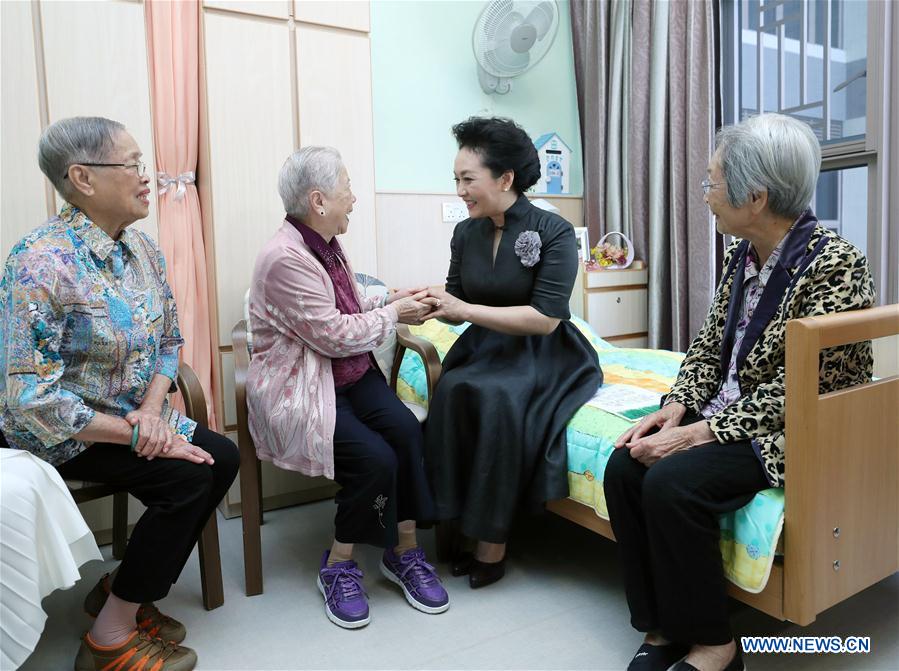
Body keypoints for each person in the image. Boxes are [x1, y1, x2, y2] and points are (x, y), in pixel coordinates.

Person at [604, 113, 875, 671]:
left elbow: (804, 388)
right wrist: (674, 409)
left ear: (755, 197)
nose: (705, 195)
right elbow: (707, 347)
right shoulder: (741, 256)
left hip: (785, 428)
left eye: (711, 182)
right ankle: (661, 626)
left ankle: (716, 646)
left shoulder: (836, 264)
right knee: (624, 466)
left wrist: (695, 436)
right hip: (725, 411)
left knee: (674, 485)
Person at [0, 116, 239, 671]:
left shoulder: (143, 252)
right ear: (82, 178)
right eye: (131, 164)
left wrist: (154, 414)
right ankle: (108, 641)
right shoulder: (38, 263)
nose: (145, 175)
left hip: (135, 417)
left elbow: (169, 343)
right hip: (65, 432)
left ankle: (118, 590)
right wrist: (137, 433)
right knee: (186, 479)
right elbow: (29, 398)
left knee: (220, 457)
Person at [246, 146, 449, 629]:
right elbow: (333, 335)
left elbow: (347, 301)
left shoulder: (325, 242)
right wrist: (395, 314)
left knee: (406, 432)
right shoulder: (284, 258)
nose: (354, 199)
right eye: (347, 189)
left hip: (350, 377)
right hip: (303, 386)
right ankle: (338, 565)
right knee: (374, 460)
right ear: (319, 200)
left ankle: (404, 551)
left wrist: (393, 297)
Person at [423, 117, 603, 589]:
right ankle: (455, 525)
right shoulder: (466, 234)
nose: (460, 190)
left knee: (500, 398)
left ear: (504, 179)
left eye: (468, 179)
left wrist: (463, 307)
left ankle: (493, 542)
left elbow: (546, 318)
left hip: (541, 350)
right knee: (454, 390)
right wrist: (428, 304)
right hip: (485, 344)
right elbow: (456, 306)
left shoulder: (554, 231)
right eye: (456, 179)